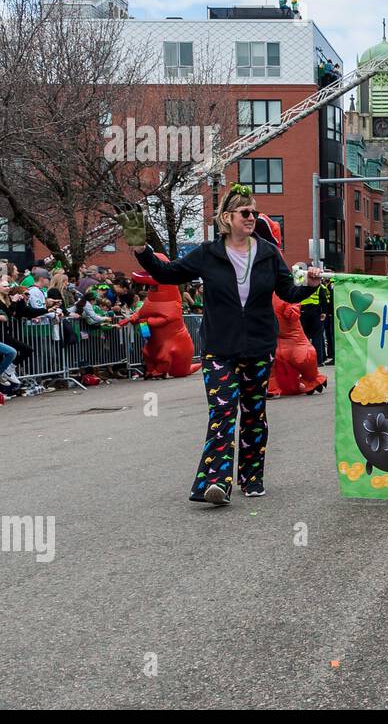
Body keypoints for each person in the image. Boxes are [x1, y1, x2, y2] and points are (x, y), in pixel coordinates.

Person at [120, 185, 322, 505]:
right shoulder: (207, 254)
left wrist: (309, 285)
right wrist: (142, 248)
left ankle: (252, 476)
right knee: (224, 409)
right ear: (227, 218)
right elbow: (167, 273)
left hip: (258, 347)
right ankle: (215, 482)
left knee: (254, 414)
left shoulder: (268, 254)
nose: (252, 218)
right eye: (245, 213)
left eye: (254, 212)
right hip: (219, 349)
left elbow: (288, 292)